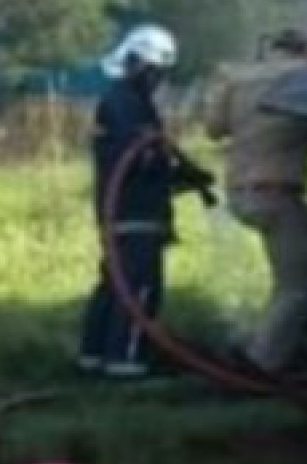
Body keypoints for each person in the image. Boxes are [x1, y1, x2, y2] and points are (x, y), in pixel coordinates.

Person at [78, 24, 214, 379]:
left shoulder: (127, 102)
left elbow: (151, 154)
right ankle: (126, 361)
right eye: (155, 71)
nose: (158, 79)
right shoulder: (126, 104)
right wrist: (178, 173)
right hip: (134, 211)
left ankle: (94, 356)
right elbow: (141, 158)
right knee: (138, 289)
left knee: (114, 283)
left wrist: (189, 175)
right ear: (137, 63)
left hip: (124, 209)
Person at [204, 30, 307, 374]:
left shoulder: (237, 78)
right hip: (279, 193)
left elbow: (214, 128)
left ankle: (257, 344)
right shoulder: (306, 76)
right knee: (299, 285)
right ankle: (262, 363)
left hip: (241, 193)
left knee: (286, 281)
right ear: (301, 50)